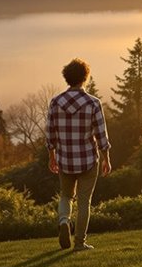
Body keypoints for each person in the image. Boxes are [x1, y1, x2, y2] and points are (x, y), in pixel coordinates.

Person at [47, 58, 112, 251]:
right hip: (88, 160)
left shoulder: (55, 102)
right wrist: (106, 158)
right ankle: (79, 243)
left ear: (67, 78)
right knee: (84, 201)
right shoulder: (93, 103)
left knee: (66, 196)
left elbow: (50, 133)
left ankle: (64, 220)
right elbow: (101, 134)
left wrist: (51, 156)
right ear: (85, 77)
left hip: (65, 159)